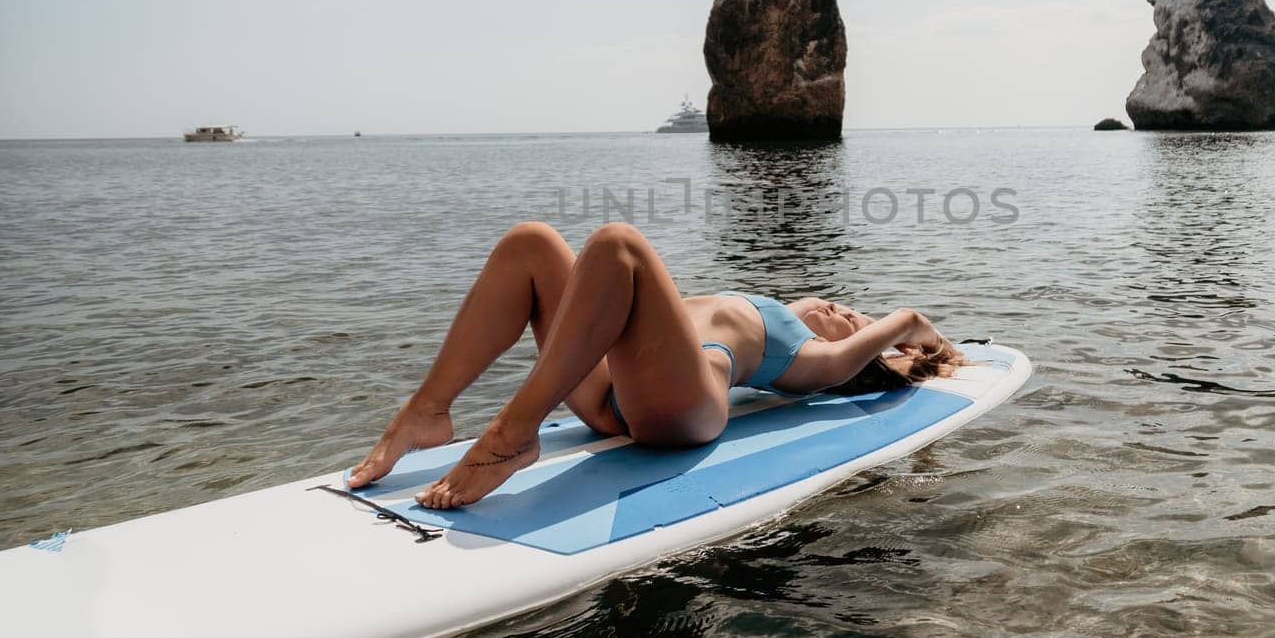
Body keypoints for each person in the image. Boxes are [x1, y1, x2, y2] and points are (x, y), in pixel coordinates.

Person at [347, 220, 966, 509]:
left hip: (683, 406)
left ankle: (511, 435)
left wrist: (921, 340)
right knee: (529, 244)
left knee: (619, 243)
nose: (842, 309)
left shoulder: (814, 359)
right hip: (609, 388)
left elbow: (907, 317)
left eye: (854, 317)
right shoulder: (777, 307)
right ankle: (426, 410)